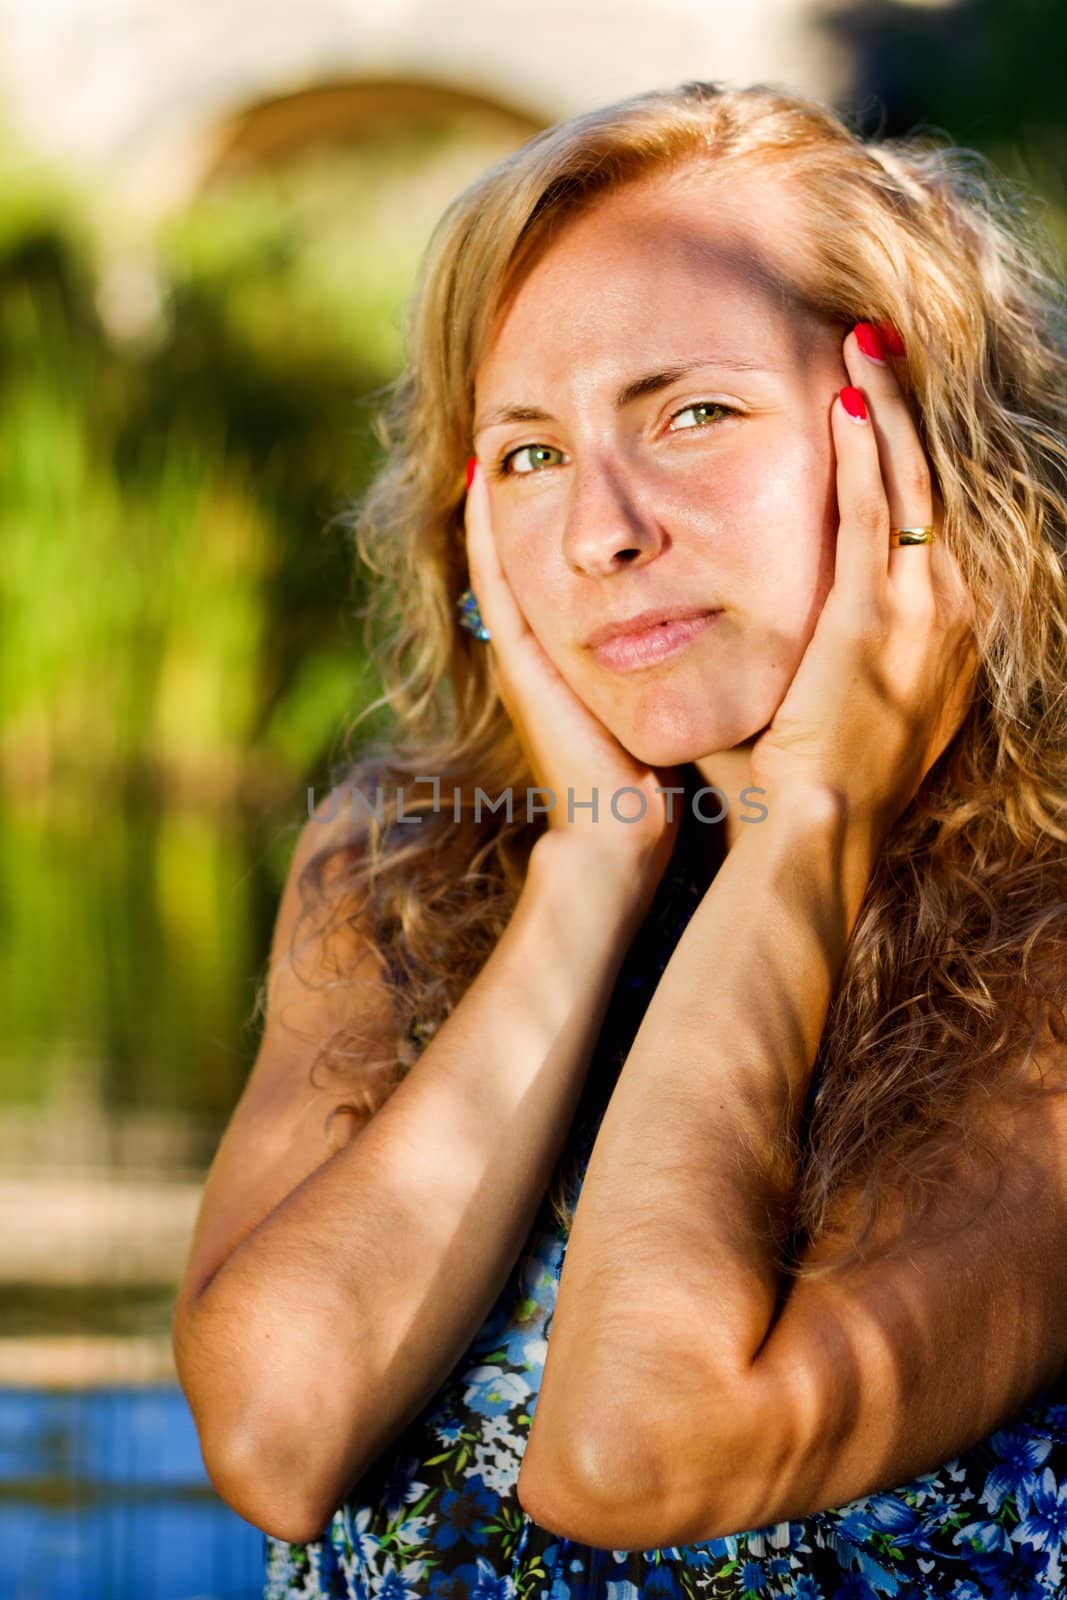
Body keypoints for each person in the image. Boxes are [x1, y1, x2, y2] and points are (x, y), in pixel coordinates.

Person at [173, 80, 1067, 1600]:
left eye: (695, 413)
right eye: (526, 453)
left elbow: (640, 1451)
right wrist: (591, 867)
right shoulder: (395, 859)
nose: (602, 529)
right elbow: (275, 1433)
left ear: (923, 452)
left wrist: (806, 830)